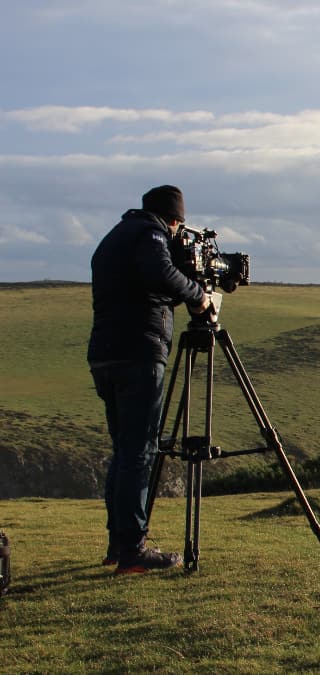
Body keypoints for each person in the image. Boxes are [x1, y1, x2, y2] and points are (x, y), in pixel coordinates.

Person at [88, 185, 211, 574]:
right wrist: (197, 295)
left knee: (125, 451)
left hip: (105, 355)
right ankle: (133, 551)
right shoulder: (152, 234)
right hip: (138, 354)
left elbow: (143, 283)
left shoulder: (116, 236)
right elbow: (159, 271)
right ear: (173, 219)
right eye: (178, 228)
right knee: (140, 452)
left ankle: (118, 542)